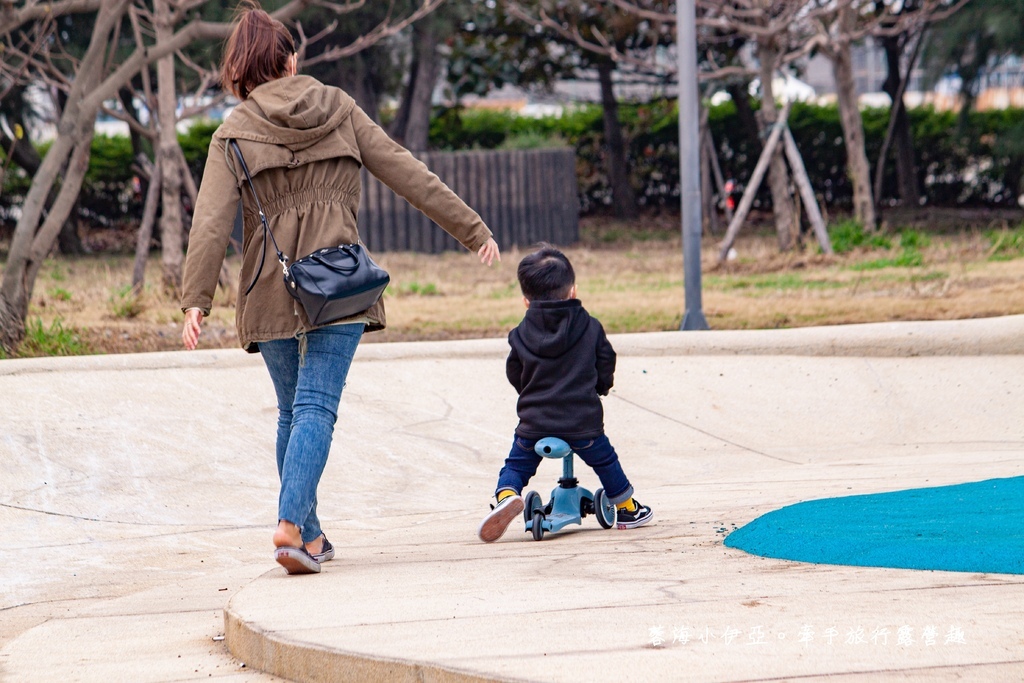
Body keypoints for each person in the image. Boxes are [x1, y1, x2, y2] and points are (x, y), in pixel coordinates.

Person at [180, 3, 500, 575]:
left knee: (292, 413)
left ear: (240, 73)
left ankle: (307, 534)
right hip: (341, 283)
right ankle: (292, 526)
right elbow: (406, 171)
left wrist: (196, 300)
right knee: (315, 409)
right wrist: (470, 228)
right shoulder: (339, 109)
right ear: (290, 60)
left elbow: (209, 222)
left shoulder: (232, 134)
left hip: (269, 287)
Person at [477, 246, 652, 543]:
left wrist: (529, 392)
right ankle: (626, 508)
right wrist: (601, 386)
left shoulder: (520, 333)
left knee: (517, 465)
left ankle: (506, 495)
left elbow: (514, 372)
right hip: (582, 422)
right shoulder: (590, 327)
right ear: (573, 291)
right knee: (605, 461)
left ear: (525, 300)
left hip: (534, 423)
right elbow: (605, 360)